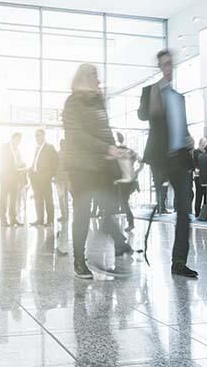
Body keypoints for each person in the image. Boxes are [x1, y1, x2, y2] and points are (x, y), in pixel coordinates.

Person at [62, 63, 132, 279]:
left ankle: (118, 243)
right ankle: (79, 261)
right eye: (94, 76)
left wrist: (116, 151)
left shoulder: (98, 102)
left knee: (109, 207)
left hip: (101, 166)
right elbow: (77, 135)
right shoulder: (73, 103)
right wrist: (106, 148)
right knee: (82, 213)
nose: (98, 80)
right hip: (81, 167)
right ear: (84, 77)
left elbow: (105, 130)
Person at [138, 49, 198, 278]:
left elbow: (180, 126)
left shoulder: (178, 98)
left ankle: (179, 262)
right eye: (164, 64)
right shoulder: (151, 91)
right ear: (159, 66)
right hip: (160, 158)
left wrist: (189, 139)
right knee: (161, 205)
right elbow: (143, 115)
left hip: (181, 158)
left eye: (171, 64)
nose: (168, 67)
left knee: (184, 210)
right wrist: (156, 93)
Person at [114, 131, 144, 232]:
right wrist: (136, 172)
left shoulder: (116, 152)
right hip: (130, 180)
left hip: (121, 181)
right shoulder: (130, 151)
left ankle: (130, 222)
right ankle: (130, 222)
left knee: (123, 202)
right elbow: (141, 162)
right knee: (124, 202)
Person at [29, 129, 59, 226]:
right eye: (36, 136)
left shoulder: (49, 148)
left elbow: (56, 162)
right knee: (38, 200)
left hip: (45, 178)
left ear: (44, 136)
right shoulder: (37, 148)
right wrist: (31, 171)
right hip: (35, 178)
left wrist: (50, 175)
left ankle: (50, 221)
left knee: (48, 200)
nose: (37, 137)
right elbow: (36, 162)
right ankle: (40, 219)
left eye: (39, 135)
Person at [0, 133, 27, 226]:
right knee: (4, 199)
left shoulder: (18, 150)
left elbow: (19, 162)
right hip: (6, 177)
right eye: (17, 139)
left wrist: (23, 165)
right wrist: (18, 166)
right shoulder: (4, 147)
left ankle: (13, 219)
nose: (18, 142)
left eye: (20, 140)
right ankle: (3, 220)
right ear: (12, 138)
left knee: (14, 199)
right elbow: (5, 162)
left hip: (15, 177)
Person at [53, 139, 71, 222]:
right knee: (65, 198)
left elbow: (54, 167)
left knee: (62, 198)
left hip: (61, 179)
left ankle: (65, 215)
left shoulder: (57, 154)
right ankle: (65, 215)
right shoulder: (68, 155)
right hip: (64, 179)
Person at [192, 137, 207, 218]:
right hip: (198, 176)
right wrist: (195, 169)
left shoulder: (206, 152)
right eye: (204, 143)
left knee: (206, 195)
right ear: (201, 143)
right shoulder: (196, 151)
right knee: (199, 195)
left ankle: (205, 213)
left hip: (206, 176)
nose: (205, 144)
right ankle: (197, 212)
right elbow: (195, 163)